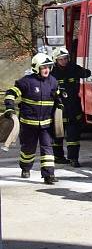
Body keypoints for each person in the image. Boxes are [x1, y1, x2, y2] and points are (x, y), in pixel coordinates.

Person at [4, 53, 63, 184]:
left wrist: (59, 101)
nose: (47, 69)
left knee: (47, 148)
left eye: (48, 66)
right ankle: (25, 168)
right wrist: (9, 108)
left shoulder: (53, 81)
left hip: (46, 125)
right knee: (28, 150)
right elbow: (10, 94)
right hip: (28, 124)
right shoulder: (26, 82)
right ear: (36, 67)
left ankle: (49, 175)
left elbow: (56, 94)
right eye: (43, 67)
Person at [50, 47, 91, 167]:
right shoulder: (51, 72)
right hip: (58, 108)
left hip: (73, 107)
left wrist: (83, 71)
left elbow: (86, 73)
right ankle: (58, 157)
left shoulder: (74, 68)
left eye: (65, 59)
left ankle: (73, 159)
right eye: (61, 59)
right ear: (55, 60)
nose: (64, 61)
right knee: (57, 135)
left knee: (73, 136)